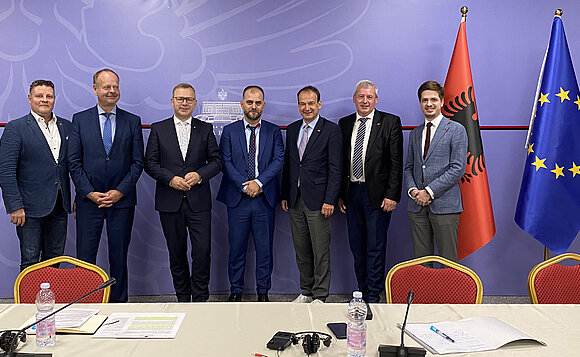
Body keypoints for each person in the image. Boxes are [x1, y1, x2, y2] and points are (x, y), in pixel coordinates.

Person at [68, 69, 144, 303]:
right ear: (95, 89)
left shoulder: (133, 121)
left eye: (115, 87)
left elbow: (137, 162)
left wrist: (120, 191)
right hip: (89, 202)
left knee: (118, 257)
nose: (111, 91)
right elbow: (74, 161)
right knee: (85, 258)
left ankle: (119, 304)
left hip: (121, 203)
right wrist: (89, 192)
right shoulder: (80, 120)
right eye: (106, 87)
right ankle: (86, 304)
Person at [144, 83, 222, 302]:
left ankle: (200, 299)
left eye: (189, 99)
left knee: (202, 252)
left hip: (199, 202)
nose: (184, 103)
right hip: (170, 202)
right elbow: (149, 163)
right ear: (172, 101)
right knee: (176, 254)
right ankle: (182, 300)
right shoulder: (159, 129)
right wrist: (170, 179)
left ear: (195, 103)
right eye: (180, 99)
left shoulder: (205, 129)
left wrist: (200, 175)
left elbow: (217, 161)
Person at [337, 80, 403, 303]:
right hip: (352, 193)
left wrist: (392, 194)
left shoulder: (390, 122)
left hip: (378, 195)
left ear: (376, 99)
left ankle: (373, 295)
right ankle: (361, 293)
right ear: (354, 99)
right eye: (361, 97)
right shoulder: (344, 123)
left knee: (375, 247)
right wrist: (340, 194)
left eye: (369, 97)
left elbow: (396, 162)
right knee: (357, 247)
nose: (365, 101)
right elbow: (340, 162)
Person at [217, 86, 284, 302]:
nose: (253, 106)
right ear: (242, 104)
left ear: (263, 105)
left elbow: (278, 160)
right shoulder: (229, 131)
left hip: (264, 198)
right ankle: (236, 290)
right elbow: (225, 162)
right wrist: (245, 186)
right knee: (236, 248)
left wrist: (258, 182)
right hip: (238, 199)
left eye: (257, 103)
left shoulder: (273, 131)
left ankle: (262, 291)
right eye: (249, 102)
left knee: (264, 249)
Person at [0, 80, 72, 271]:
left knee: (54, 260)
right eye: (39, 96)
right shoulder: (16, 128)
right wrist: (15, 206)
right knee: (30, 261)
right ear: (30, 99)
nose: (44, 100)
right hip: (28, 209)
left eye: (49, 96)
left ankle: (50, 301)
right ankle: (28, 302)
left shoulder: (67, 126)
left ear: (54, 99)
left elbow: (73, 166)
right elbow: (5, 170)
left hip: (60, 205)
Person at [281, 86, 342, 303]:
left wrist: (330, 200)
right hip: (295, 199)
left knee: (320, 251)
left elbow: (336, 169)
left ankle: (320, 295)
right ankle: (306, 292)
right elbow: (289, 164)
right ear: (298, 105)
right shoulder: (292, 128)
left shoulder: (331, 130)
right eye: (302, 104)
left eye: (311, 103)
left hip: (319, 201)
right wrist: (285, 194)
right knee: (302, 250)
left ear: (319, 104)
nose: (307, 108)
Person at [405, 81, 467, 263]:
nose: (429, 104)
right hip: (417, 207)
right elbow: (409, 167)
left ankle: (449, 293)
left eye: (433, 99)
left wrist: (429, 192)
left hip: (445, 205)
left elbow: (457, 168)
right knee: (421, 261)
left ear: (441, 102)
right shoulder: (415, 133)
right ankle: (425, 293)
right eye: (425, 100)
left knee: (448, 259)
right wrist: (413, 191)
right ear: (420, 103)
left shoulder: (456, 130)